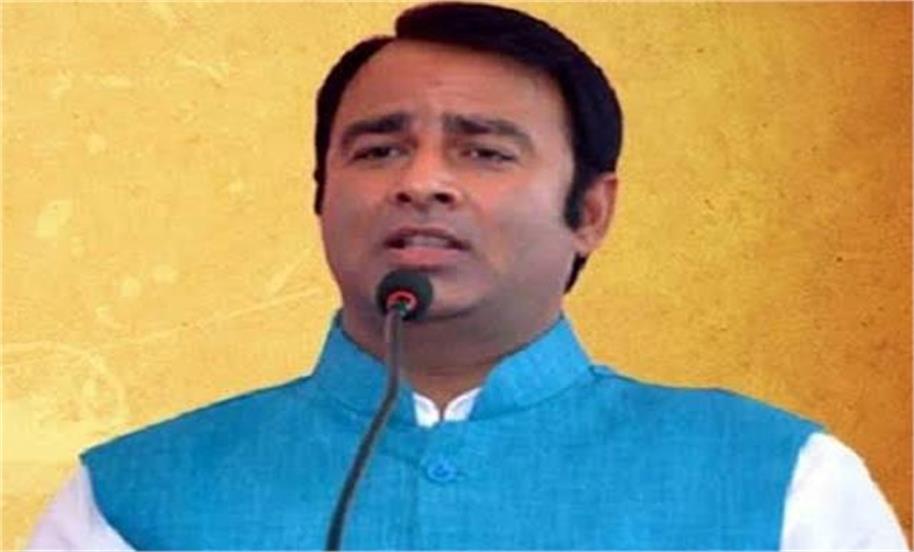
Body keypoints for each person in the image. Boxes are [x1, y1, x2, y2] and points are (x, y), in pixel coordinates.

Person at [27, 2, 907, 550]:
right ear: (321, 195)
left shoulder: (778, 482)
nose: (422, 182)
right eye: (379, 150)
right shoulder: (137, 501)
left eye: (484, 151)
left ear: (590, 211)